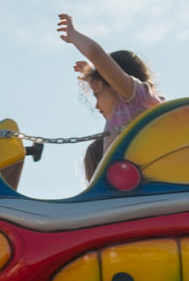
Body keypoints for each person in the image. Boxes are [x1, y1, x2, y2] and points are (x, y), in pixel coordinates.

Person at [57, 13, 161, 178]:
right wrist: (91, 74)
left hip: (145, 180)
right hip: (131, 180)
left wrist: (74, 36)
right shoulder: (130, 108)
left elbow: (96, 55)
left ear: (113, 84)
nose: (97, 106)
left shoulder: (135, 97)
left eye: (97, 94)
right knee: (95, 152)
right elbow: (104, 79)